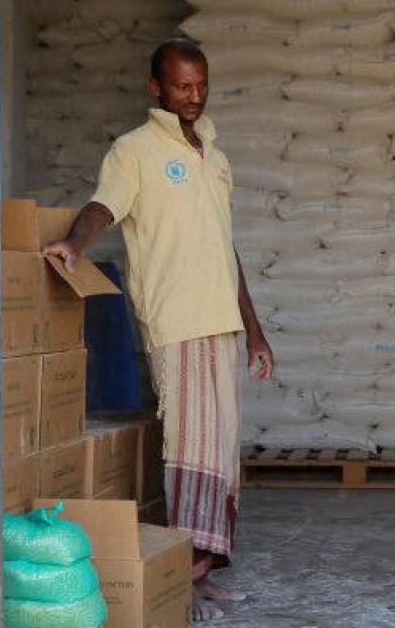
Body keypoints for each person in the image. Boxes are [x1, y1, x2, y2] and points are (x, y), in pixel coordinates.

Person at [43, 38, 273, 622]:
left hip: (221, 323)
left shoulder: (214, 157)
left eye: (200, 86)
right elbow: (104, 207)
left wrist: (255, 329)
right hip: (178, 321)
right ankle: (181, 581)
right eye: (181, 87)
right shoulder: (135, 151)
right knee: (190, 454)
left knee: (221, 456)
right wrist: (75, 242)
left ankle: (202, 571)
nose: (193, 97)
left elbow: (226, 249)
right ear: (156, 88)